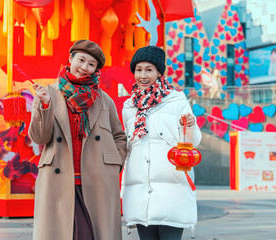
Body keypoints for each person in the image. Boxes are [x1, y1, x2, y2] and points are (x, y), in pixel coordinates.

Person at [29, 40, 127, 240]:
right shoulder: (48, 93)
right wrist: (45, 106)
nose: (84, 67)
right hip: (59, 177)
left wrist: (113, 163)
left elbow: (119, 136)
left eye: (91, 64)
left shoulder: (103, 99)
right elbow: (39, 137)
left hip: (96, 179)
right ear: (71, 59)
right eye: (81, 60)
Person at [121, 45, 202, 240]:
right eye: (138, 70)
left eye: (149, 69)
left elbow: (194, 141)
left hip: (172, 191)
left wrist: (189, 126)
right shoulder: (129, 106)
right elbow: (128, 147)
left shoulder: (176, 101)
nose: (143, 75)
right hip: (140, 193)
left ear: (159, 72)